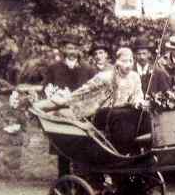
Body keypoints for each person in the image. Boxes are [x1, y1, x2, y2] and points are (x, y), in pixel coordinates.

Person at [38, 48, 146, 155]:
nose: (128, 64)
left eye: (131, 60)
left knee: (139, 114)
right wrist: (62, 101)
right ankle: (120, 153)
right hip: (104, 114)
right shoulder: (105, 77)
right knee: (120, 115)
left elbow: (137, 95)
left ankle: (133, 151)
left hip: (123, 114)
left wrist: (138, 102)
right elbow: (84, 91)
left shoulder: (134, 77)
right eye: (124, 61)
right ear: (117, 62)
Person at [42, 34, 96, 178]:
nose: (72, 51)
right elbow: (46, 89)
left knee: (82, 150)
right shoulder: (54, 68)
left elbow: (95, 92)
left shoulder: (88, 69)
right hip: (61, 116)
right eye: (69, 48)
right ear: (64, 49)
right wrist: (57, 99)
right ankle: (63, 183)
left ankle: (82, 182)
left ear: (79, 50)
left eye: (75, 48)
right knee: (63, 151)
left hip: (82, 116)